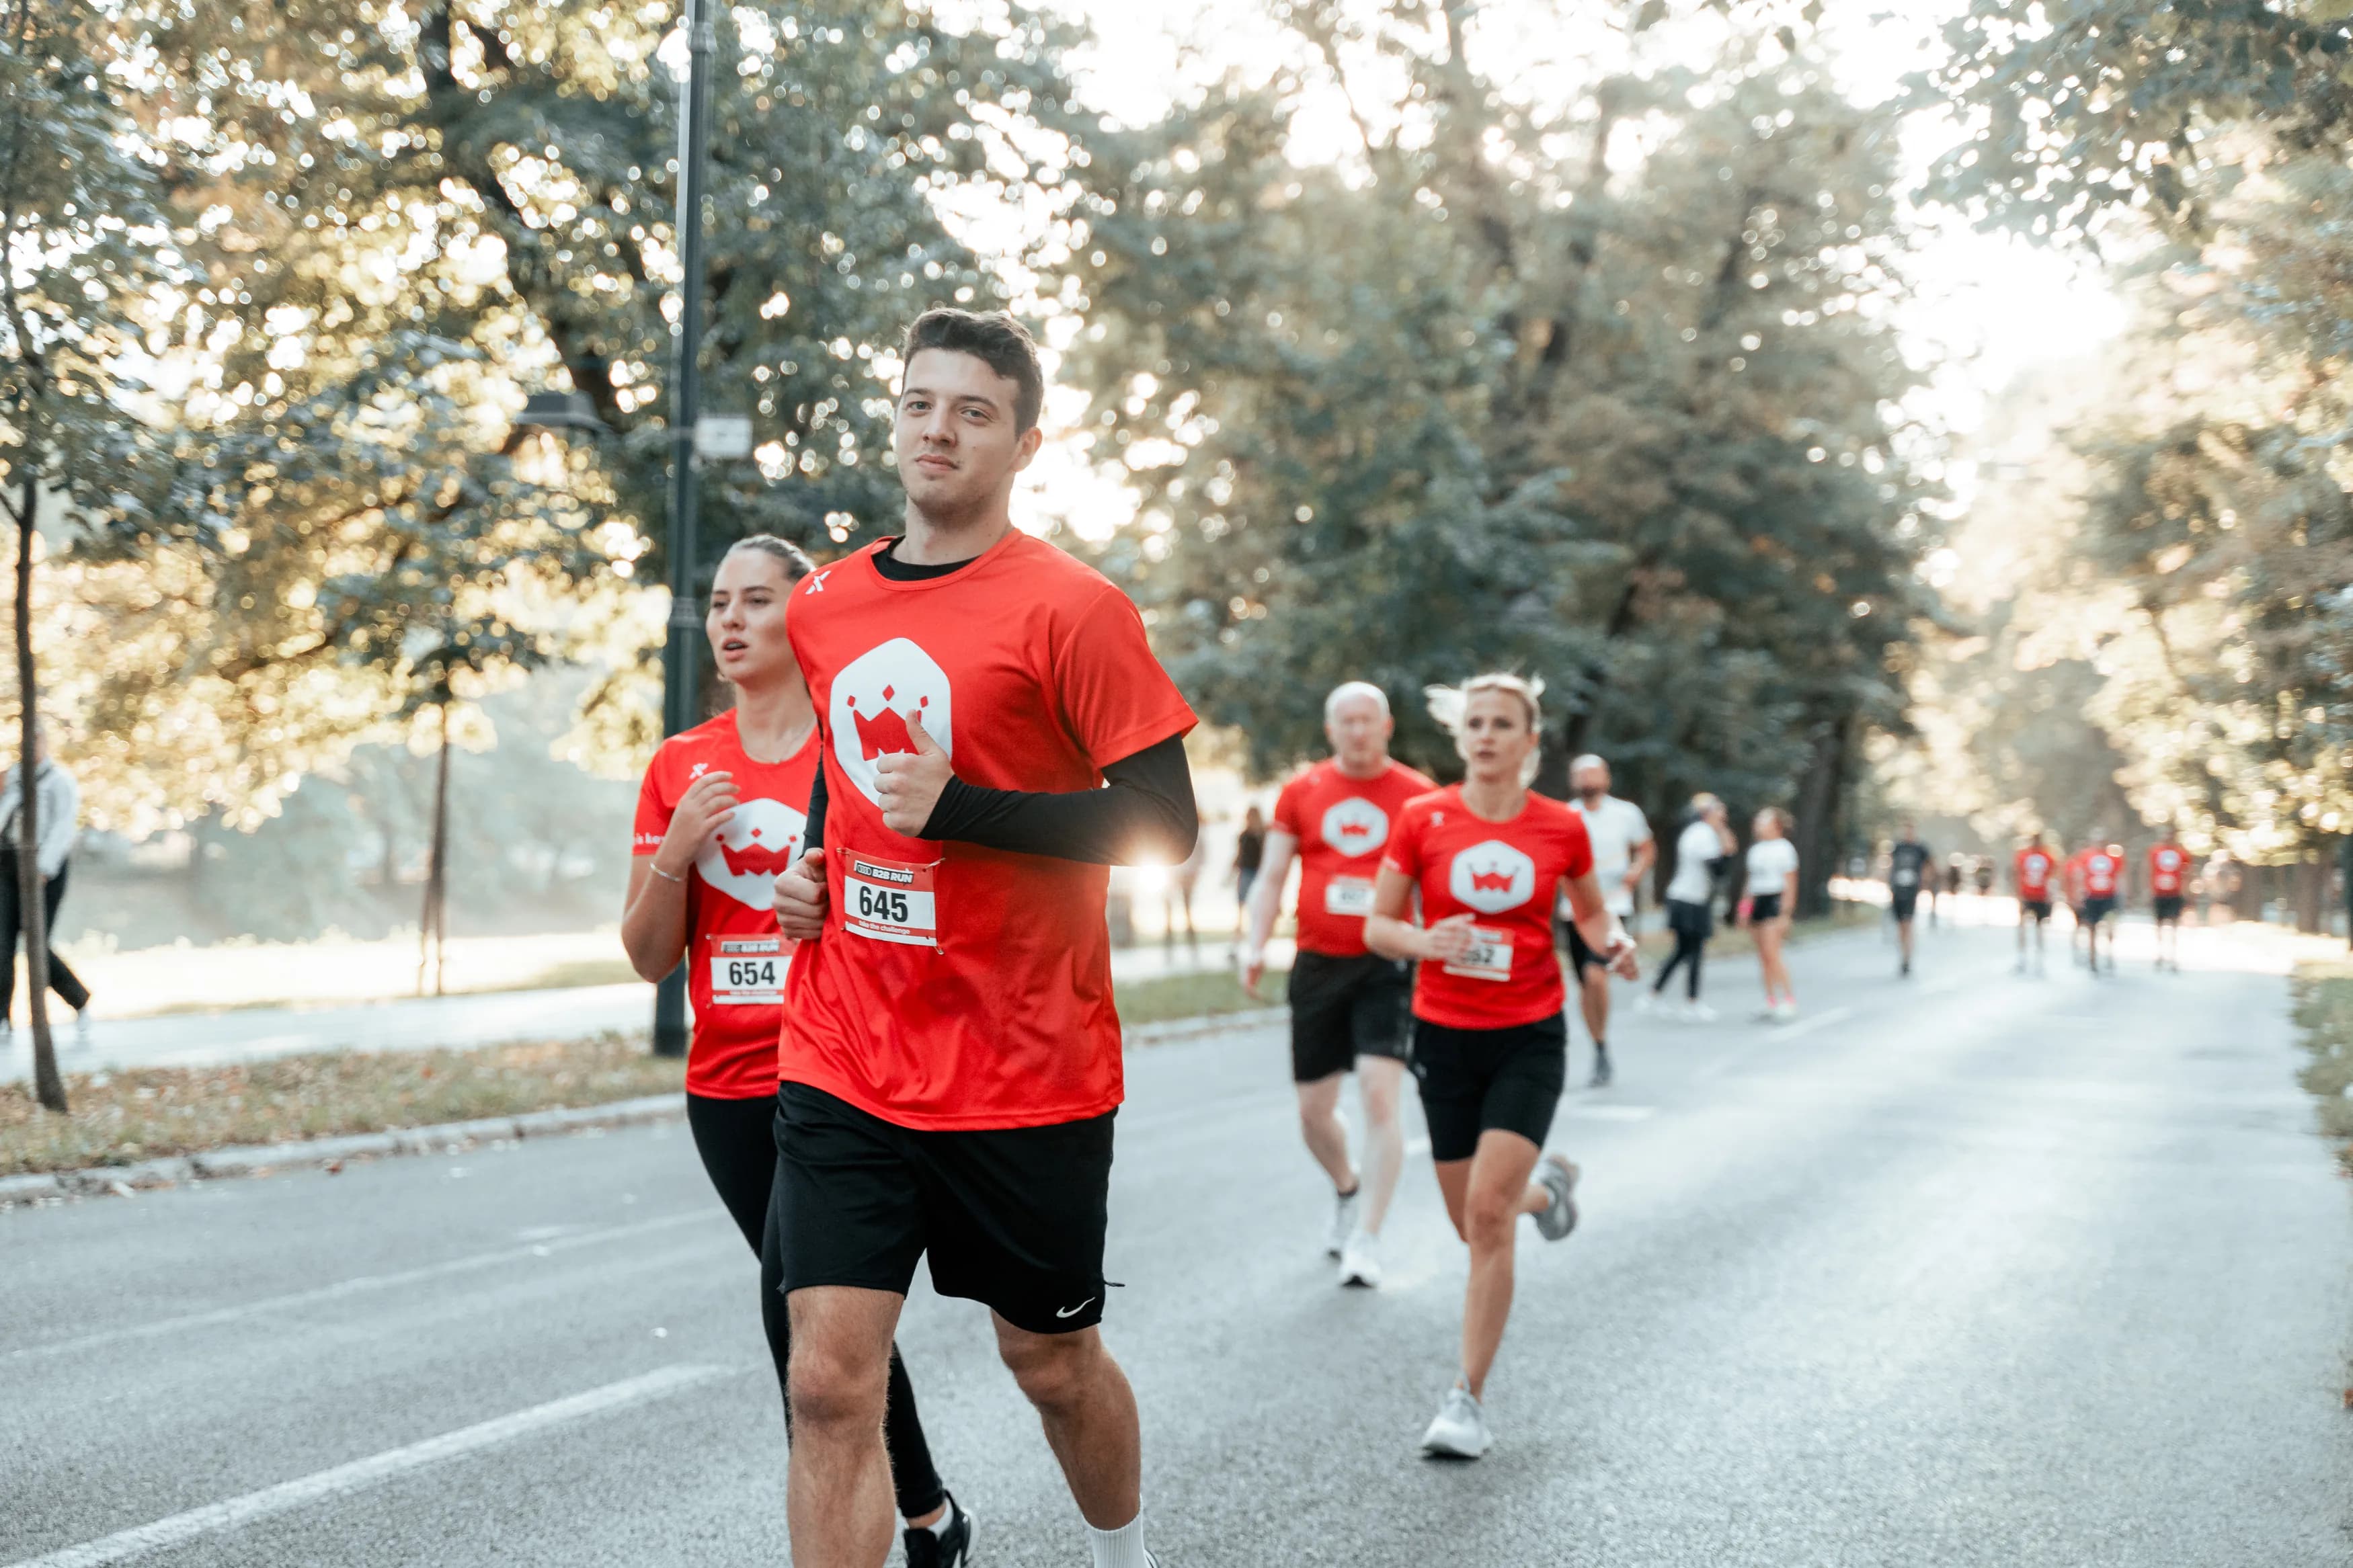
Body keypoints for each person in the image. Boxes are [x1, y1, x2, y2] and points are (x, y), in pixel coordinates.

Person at [768, 308, 1197, 1568]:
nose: (938, 429)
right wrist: (811, 869)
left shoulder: (1076, 608)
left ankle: (1125, 1559)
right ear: (893, 418)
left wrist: (962, 810)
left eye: (972, 410)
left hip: (1026, 1067)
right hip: (848, 1045)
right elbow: (843, 776)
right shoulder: (826, 603)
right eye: (918, 403)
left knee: (1049, 1359)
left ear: (1023, 441)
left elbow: (1164, 827)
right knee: (829, 1384)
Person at [620, 537, 973, 1567]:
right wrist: (680, 850)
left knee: (801, 1323)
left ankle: (871, 1530)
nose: (729, 621)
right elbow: (648, 959)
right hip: (727, 1085)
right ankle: (928, 1515)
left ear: (802, 614)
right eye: (718, 602)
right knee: (820, 1320)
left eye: (757, 600)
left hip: (843, 1071)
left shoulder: (850, 744)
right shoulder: (681, 764)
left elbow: (918, 909)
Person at [1363, 674, 1635, 1460]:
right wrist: (1425, 942)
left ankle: (1465, 1399)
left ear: (1528, 741)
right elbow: (1379, 922)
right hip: (1442, 1036)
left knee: (1486, 1215)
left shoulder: (1560, 826)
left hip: (1527, 1034)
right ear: (1462, 739)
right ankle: (1550, 1189)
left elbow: (1587, 909)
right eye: (1474, 722)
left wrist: (1609, 941)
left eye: (1501, 723)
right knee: (1471, 1221)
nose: (1485, 733)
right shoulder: (1422, 818)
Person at [1240, 682, 1435, 1288]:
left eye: (1367, 720)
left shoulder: (1418, 794)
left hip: (1388, 962)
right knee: (1314, 1110)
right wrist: (1254, 943)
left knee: (1381, 1096)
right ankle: (1348, 1187)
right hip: (1318, 963)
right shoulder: (1302, 791)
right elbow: (1272, 875)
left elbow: (1435, 882)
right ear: (1331, 730)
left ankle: (1368, 1239)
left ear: (1387, 727)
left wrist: (1435, 949)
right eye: (1346, 721)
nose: (1357, 730)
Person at [1562, 753, 1653, 1087]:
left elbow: (1646, 849)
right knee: (1585, 985)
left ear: (1606, 778)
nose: (1588, 780)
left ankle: (1601, 1045)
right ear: (1574, 781)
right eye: (1581, 774)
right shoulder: (1566, 815)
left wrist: (1634, 873)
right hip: (1572, 910)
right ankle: (1599, 1045)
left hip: (1613, 907)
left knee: (1596, 975)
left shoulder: (1625, 814)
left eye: (1593, 773)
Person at [0, 727, 91, 1041]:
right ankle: (2, 1019)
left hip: (41, 868)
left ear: (45, 742)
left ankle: (78, 1000)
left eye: (34, 739)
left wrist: (42, 869)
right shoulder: (11, 778)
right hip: (6, 864)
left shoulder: (60, 781)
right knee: (2, 943)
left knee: (35, 943)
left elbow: (63, 829)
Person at [1644, 794, 1734, 1019]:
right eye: (1719, 814)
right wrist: (1728, 849)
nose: (1723, 818)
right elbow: (1719, 870)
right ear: (1708, 813)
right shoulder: (1703, 834)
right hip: (1690, 899)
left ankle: (1653, 995)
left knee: (1683, 951)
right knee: (1694, 950)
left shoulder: (1698, 832)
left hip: (1688, 897)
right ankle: (1691, 1002)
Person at [1741, 808, 1799, 1020]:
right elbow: (1750, 882)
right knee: (1763, 955)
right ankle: (1770, 1000)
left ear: (1776, 825)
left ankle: (1789, 1000)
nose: (1758, 824)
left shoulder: (1784, 849)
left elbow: (1791, 883)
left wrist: (1786, 913)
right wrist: (1744, 909)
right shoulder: (1755, 850)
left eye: (1763, 820)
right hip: (1758, 900)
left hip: (1775, 900)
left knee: (1773, 952)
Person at [1886, 822, 1932, 977]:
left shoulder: (1920, 849)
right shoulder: (1898, 848)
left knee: (1908, 924)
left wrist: (1924, 883)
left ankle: (1907, 959)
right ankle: (1903, 955)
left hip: (1911, 892)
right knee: (1900, 927)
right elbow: (1890, 865)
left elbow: (1928, 866)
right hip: (1897, 891)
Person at [2013, 831, 2057, 975]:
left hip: (2042, 897)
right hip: (2027, 895)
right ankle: (2022, 958)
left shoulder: (2048, 857)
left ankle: (2039, 960)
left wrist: (2052, 896)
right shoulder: (2023, 856)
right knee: (2022, 927)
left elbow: (2053, 877)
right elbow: (2018, 875)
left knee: (2039, 929)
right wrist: (2018, 894)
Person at [2079, 835, 2123, 975]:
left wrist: (2123, 895)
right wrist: (2079, 893)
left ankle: (2109, 955)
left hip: (2109, 897)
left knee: (2110, 926)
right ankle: (2093, 959)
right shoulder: (2086, 857)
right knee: (2092, 928)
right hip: (2092, 897)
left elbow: (2120, 877)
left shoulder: (2115, 859)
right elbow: (2080, 875)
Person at [2148, 829, 2190, 972]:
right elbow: (2149, 870)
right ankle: (2160, 953)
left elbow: (2187, 873)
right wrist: (2148, 890)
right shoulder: (2155, 852)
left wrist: (2187, 891)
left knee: (2174, 925)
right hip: (2159, 893)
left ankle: (2173, 956)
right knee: (2159, 924)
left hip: (2175, 893)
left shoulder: (2181, 853)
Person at [1232, 804, 1267, 915]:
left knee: (1259, 898)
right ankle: (1240, 922)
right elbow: (1240, 853)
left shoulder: (1263, 835)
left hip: (1259, 871)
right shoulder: (1244, 835)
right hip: (1246, 869)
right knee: (1242, 896)